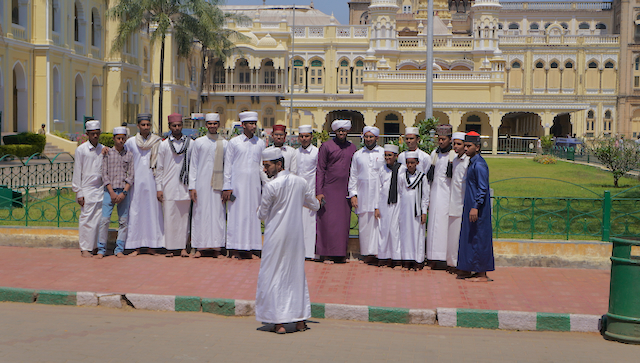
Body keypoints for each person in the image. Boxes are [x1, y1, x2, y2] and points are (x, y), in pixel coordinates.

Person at [256, 148, 320, 334]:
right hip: (295, 237)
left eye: (267, 166)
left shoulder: (271, 186)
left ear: (279, 164)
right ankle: (299, 321)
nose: (265, 170)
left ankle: (279, 322)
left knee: (274, 275)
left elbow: (262, 214)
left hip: (275, 237)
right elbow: (314, 205)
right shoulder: (300, 182)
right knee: (295, 274)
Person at [223, 111, 266, 259]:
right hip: (237, 187)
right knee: (237, 215)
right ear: (243, 125)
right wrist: (226, 186)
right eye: (250, 124)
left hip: (254, 187)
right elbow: (227, 166)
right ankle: (235, 248)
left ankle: (252, 247)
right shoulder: (234, 142)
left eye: (255, 123)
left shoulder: (260, 143)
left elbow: (261, 166)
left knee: (253, 215)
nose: (253, 126)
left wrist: (266, 185)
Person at [316, 119, 357, 264]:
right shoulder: (326, 146)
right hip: (329, 189)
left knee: (343, 223)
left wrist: (354, 193)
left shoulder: (352, 148)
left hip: (345, 190)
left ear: (347, 131)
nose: (341, 132)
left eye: (344, 130)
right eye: (339, 130)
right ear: (335, 131)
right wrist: (319, 191)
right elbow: (320, 169)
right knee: (327, 222)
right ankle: (326, 253)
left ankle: (340, 254)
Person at [124, 113, 164, 256]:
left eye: (148, 124)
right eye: (143, 125)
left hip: (153, 183)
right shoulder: (130, 142)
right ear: (138, 126)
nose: (146, 127)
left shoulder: (157, 142)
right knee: (136, 212)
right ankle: (135, 246)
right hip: (135, 184)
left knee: (153, 213)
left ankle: (152, 246)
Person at [188, 113, 227, 258]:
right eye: (209, 123)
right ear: (206, 125)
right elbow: (193, 165)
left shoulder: (224, 143)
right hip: (201, 184)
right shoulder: (199, 142)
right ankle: (200, 247)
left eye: (215, 123)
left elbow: (227, 166)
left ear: (218, 125)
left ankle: (217, 247)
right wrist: (192, 186)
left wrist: (226, 186)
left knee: (217, 214)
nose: (212, 126)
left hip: (218, 185)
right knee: (200, 213)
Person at [457, 131, 494, 282]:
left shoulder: (479, 165)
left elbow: (482, 188)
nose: (465, 149)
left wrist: (476, 206)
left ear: (477, 147)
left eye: (468, 146)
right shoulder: (472, 162)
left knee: (479, 237)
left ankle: (482, 274)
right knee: (469, 237)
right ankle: (468, 268)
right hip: (471, 206)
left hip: (478, 209)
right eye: (464, 145)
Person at [155, 113, 192, 258]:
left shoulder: (190, 143)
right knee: (170, 218)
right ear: (169, 127)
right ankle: (170, 247)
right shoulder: (163, 145)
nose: (177, 128)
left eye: (179, 125)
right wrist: (159, 188)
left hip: (184, 186)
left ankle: (183, 247)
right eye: (174, 126)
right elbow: (160, 168)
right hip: (168, 186)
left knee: (184, 218)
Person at [349, 126, 384, 263]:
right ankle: (367, 254)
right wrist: (353, 194)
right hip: (363, 194)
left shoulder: (382, 153)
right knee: (364, 223)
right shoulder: (358, 154)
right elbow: (353, 176)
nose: (368, 139)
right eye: (366, 137)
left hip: (379, 194)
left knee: (379, 224)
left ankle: (379, 253)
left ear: (377, 138)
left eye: (371, 137)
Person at [97, 127, 134, 259]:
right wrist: (112, 192)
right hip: (109, 191)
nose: (120, 141)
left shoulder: (129, 155)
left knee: (123, 221)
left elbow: (131, 175)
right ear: (113, 139)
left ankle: (119, 248)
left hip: (123, 191)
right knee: (105, 220)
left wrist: (124, 192)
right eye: (118, 138)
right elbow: (104, 174)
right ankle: (101, 248)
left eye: (123, 138)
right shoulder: (107, 153)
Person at [72, 120, 105, 258]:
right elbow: (77, 171)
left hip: (100, 188)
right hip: (86, 189)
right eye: (92, 134)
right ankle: (85, 248)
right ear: (87, 134)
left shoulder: (103, 149)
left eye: (97, 134)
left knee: (98, 219)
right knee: (86, 219)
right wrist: (79, 192)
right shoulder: (81, 150)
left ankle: (95, 246)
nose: (95, 136)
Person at [426, 124, 456, 268]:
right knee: (433, 227)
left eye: (443, 139)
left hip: (447, 197)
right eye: (439, 139)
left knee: (444, 228)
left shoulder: (454, 155)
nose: (441, 142)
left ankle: (444, 258)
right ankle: (433, 256)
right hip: (434, 195)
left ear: (449, 139)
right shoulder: (434, 154)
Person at [398, 151, 429, 270]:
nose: (410, 165)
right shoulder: (402, 177)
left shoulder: (422, 177)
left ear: (417, 163)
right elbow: (400, 193)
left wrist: (424, 211)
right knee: (406, 234)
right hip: (405, 210)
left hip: (417, 211)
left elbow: (425, 196)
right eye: (408, 163)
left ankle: (418, 260)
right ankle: (407, 259)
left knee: (417, 234)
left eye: (412, 163)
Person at [374, 144, 402, 268]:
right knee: (383, 230)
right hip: (384, 204)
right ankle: (383, 257)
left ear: (396, 156)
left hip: (398, 204)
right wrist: (376, 207)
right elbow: (377, 189)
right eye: (385, 155)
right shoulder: (382, 169)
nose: (387, 158)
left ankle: (396, 258)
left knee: (395, 231)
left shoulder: (402, 169)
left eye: (390, 155)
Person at [446, 132, 469, 273]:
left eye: (458, 144)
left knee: (461, 237)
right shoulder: (455, 160)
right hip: (453, 203)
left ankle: (460, 264)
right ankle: (452, 263)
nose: (455, 146)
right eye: (454, 143)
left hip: (462, 204)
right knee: (453, 236)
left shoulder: (468, 162)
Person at [295, 125, 319, 260]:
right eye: (302, 136)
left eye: (307, 136)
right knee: (297, 222)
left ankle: (309, 252)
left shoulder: (316, 152)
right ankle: (297, 252)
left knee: (310, 223)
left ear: (311, 137)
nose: (304, 139)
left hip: (311, 192)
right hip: (297, 193)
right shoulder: (295, 153)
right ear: (299, 137)